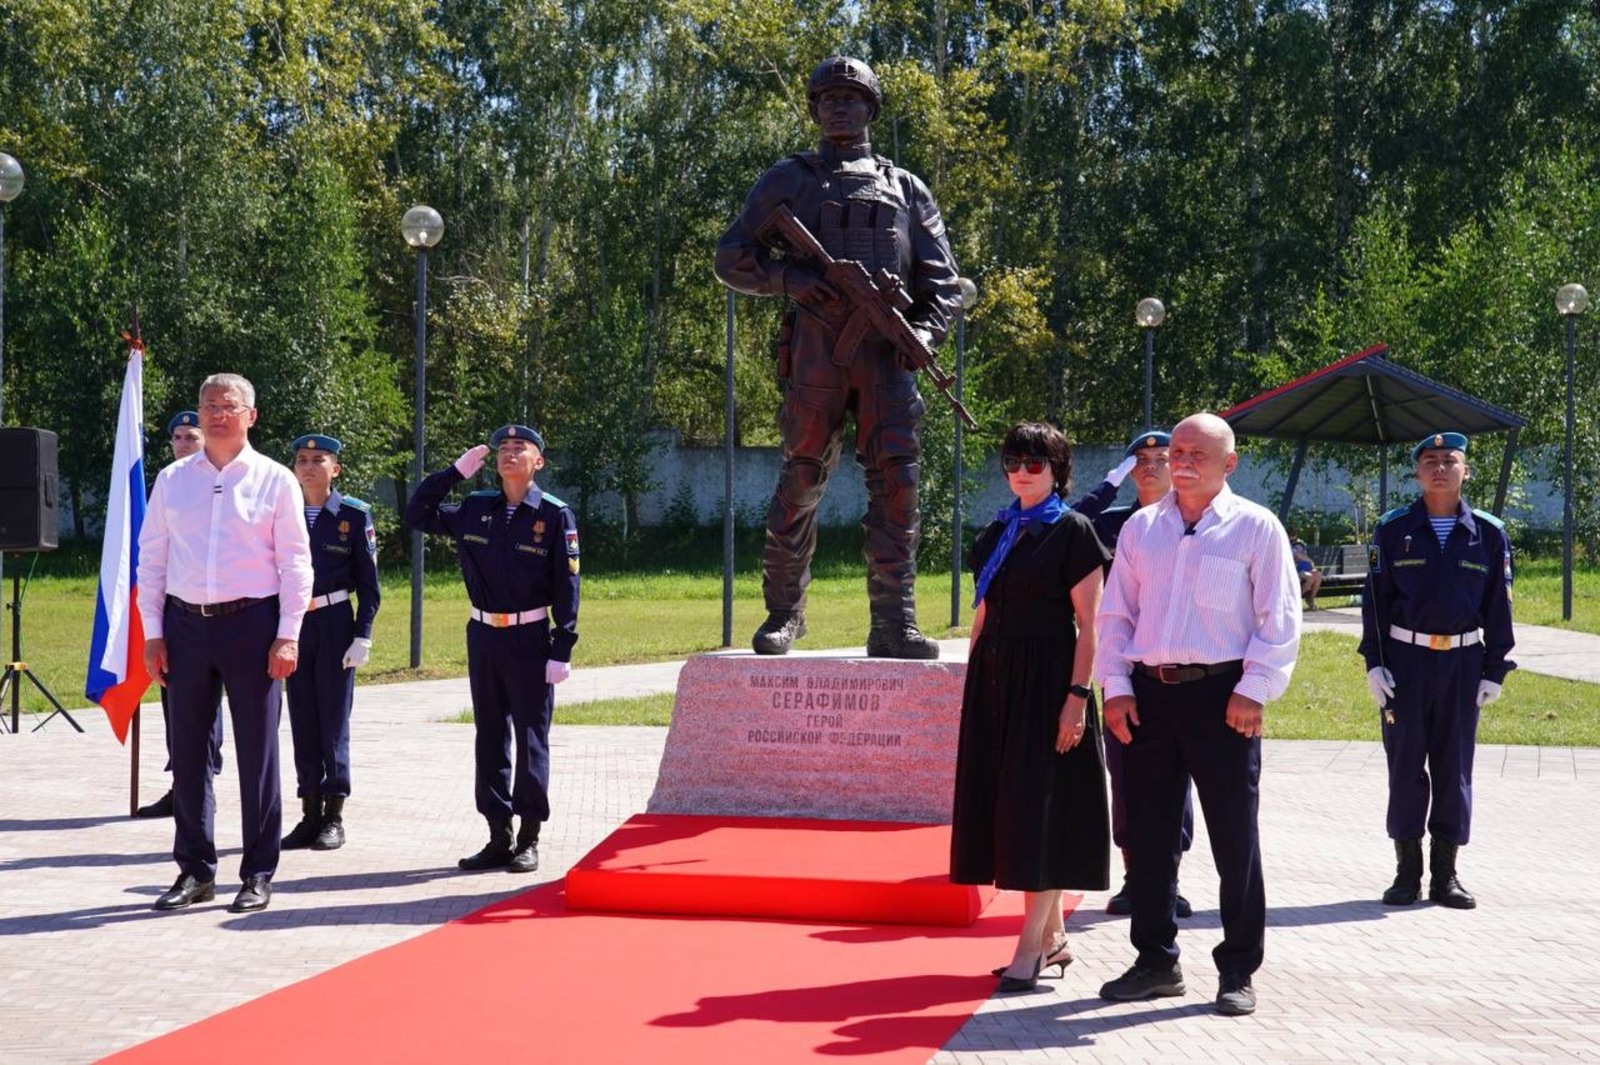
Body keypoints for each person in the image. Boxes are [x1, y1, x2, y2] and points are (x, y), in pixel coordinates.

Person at [714, 55, 963, 659]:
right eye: (828, 99)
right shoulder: (788, 179)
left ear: (871, 108)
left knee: (898, 488)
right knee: (800, 481)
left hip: (888, 362)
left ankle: (893, 624)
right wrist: (790, 281)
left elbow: (947, 287)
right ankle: (783, 614)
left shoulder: (906, 188)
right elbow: (732, 257)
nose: (839, 107)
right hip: (816, 358)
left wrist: (923, 339)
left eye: (851, 98)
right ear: (815, 109)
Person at [1093, 412, 1301, 1016]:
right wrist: (1116, 686)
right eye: (1176, 451)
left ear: (1229, 463)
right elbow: (1116, 617)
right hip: (1149, 697)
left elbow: (1279, 620)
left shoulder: (1256, 529)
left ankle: (1238, 968)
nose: (1181, 461)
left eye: (1197, 453)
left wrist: (1254, 689)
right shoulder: (1139, 530)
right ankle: (1155, 961)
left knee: (1235, 837)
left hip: (1224, 699)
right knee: (1153, 837)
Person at [137, 374, 313, 914]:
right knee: (188, 754)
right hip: (186, 626)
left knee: (257, 752)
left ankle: (258, 872)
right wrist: (153, 633)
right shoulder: (172, 479)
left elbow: (295, 563)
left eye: (228, 406)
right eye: (208, 405)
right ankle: (194, 870)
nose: (216, 414)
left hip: (252, 625)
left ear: (251, 415)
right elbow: (152, 559)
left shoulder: (275, 480)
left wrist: (288, 635)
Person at [950, 423, 1111, 994]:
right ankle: (1055, 938)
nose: (1022, 471)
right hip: (995, 684)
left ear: (1058, 470)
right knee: (1011, 815)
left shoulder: (1074, 531)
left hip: (1048, 683)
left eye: (1035, 463)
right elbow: (985, 612)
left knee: (1038, 816)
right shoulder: (998, 529)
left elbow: (1091, 625)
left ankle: (1028, 952)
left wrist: (1075, 700)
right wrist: (971, 683)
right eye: (1014, 461)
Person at [404, 425, 579, 874]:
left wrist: (563, 646)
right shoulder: (476, 508)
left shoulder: (555, 516)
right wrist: (452, 474)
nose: (509, 454)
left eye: (520, 448)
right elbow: (417, 513)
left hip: (531, 638)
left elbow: (567, 584)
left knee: (531, 738)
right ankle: (497, 834)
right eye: (503, 448)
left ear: (538, 462)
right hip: (483, 635)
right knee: (490, 736)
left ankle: (529, 837)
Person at [1360, 432, 1515, 911]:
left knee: (1454, 769)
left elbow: (1498, 606)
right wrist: (1375, 663)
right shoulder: (1392, 529)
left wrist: (1495, 668)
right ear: (1417, 472)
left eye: (1451, 460)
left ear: (1466, 470)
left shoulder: (1488, 533)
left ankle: (1446, 875)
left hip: (1463, 664)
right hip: (1406, 664)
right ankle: (1407, 873)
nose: (1441, 468)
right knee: (1406, 767)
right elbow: (1376, 602)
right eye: (1430, 461)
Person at [1072, 430, 1196, 918]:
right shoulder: (1109, 525)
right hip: (1123, 668)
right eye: (1138, 460)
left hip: (1178, 665)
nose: (1149, 465)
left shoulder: (1192, 520)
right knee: (1124, 776)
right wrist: (1109, 483)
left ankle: (1170, 878)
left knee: (1177, 777)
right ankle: (1133, 875)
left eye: (1160, 458)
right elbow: (1072, 521)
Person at [280, 434, 380, 852]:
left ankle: (334, 816)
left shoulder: (354, 516)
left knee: (333, 722)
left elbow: (369, 587)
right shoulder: (281, 512)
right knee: (302, 719)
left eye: (317, 460)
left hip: (335, 621)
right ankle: (308, 813)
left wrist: (362, 636)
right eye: (301, 459)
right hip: (293, 626)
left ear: (335, 469)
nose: (307, 467)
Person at [133, 411, 224, 818]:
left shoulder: (215, 485)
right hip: (175, 610)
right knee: (175, 702)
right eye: (177, 437)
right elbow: (153, 552)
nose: (183, 443)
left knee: (205, 706)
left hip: (218, 613)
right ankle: (182, 782)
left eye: (191, 436)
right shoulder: (168, 484)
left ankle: (202, 781)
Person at [1289, 529, 1322, 608]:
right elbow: (1298, 555)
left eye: (1294, 534)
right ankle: (1296, 599)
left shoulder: (1300, 543)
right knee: (1309, 577)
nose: (1293, 537)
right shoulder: (1288, 545)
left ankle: (1311, 599)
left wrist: (1310, 562)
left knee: (1318, 575)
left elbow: (1302, 555)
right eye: (1291, 535)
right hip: (1295, 570)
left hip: (1306, 568)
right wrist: (1310, 561)